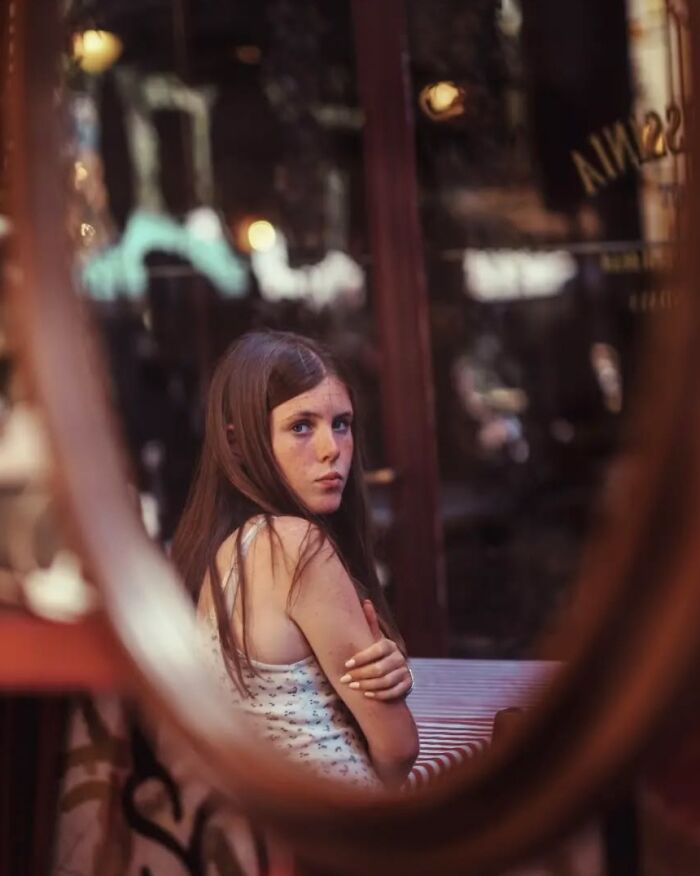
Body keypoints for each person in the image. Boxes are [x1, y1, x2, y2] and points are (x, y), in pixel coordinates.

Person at [171, 330, 419, 791]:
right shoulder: (295, 545)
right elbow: (398, 749)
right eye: (301, 426)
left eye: (341, 424)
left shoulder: (215, 553)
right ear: (239, 442)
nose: (332, 449)